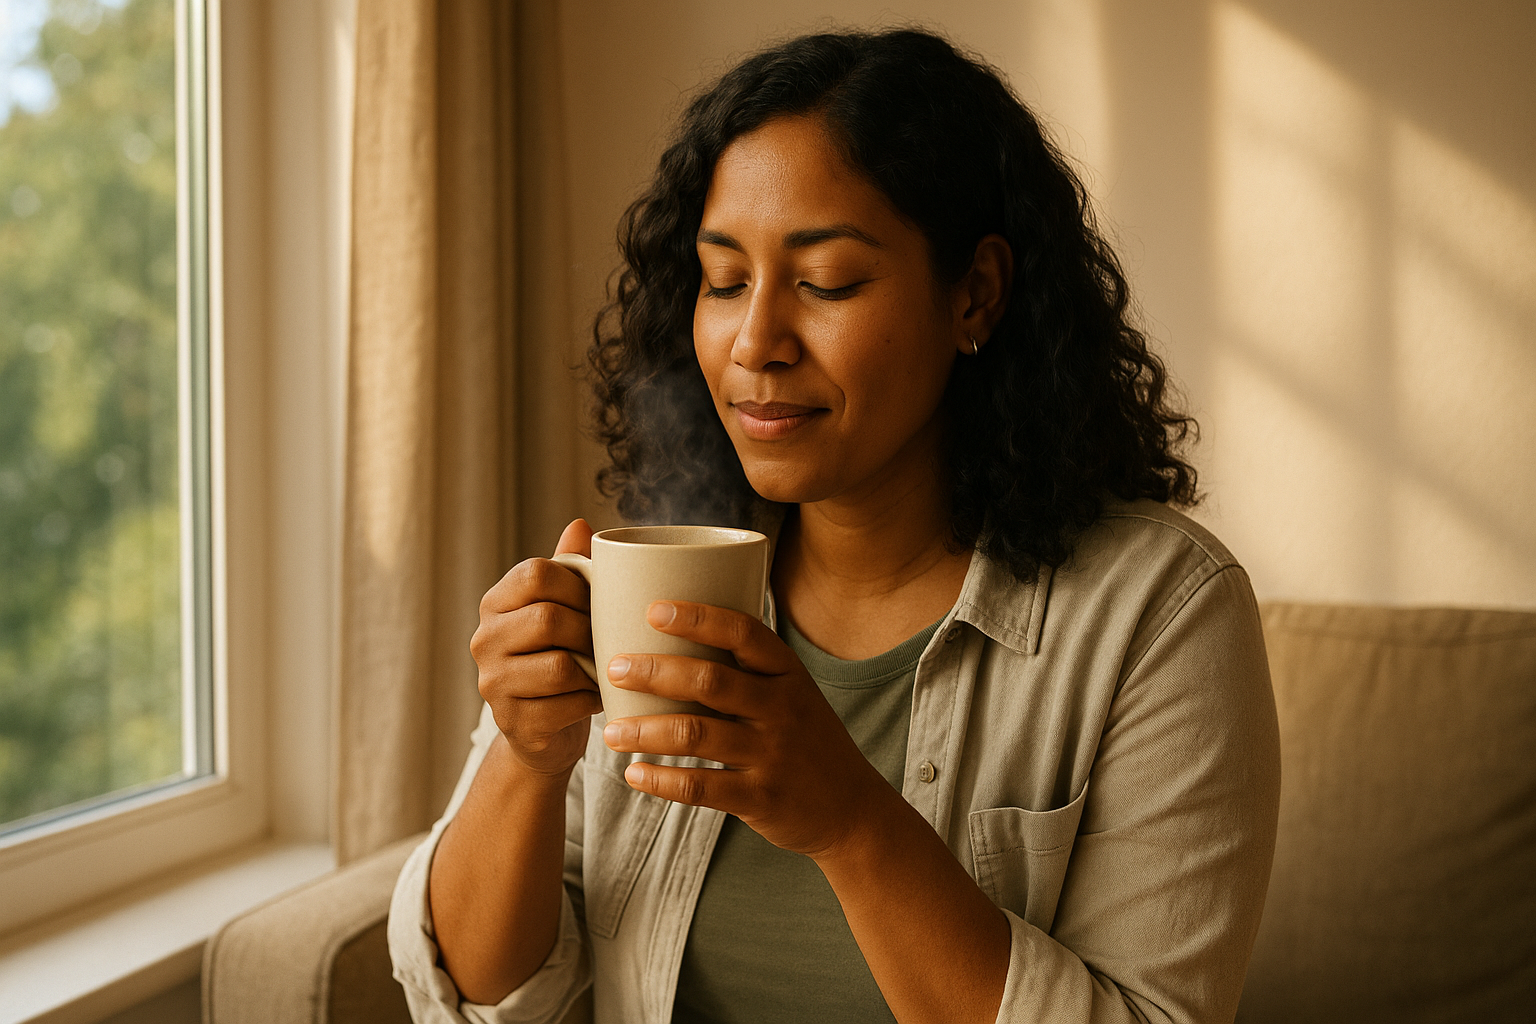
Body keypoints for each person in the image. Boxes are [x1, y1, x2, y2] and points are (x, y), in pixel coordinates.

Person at [389, 27, 1280, 1024]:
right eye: (724, 281)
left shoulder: (1158, 615)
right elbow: (470, 997)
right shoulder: (653, 581)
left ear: (975, 295)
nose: (755, 342)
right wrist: (526, 756)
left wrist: (849, 821)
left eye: (827, 283)